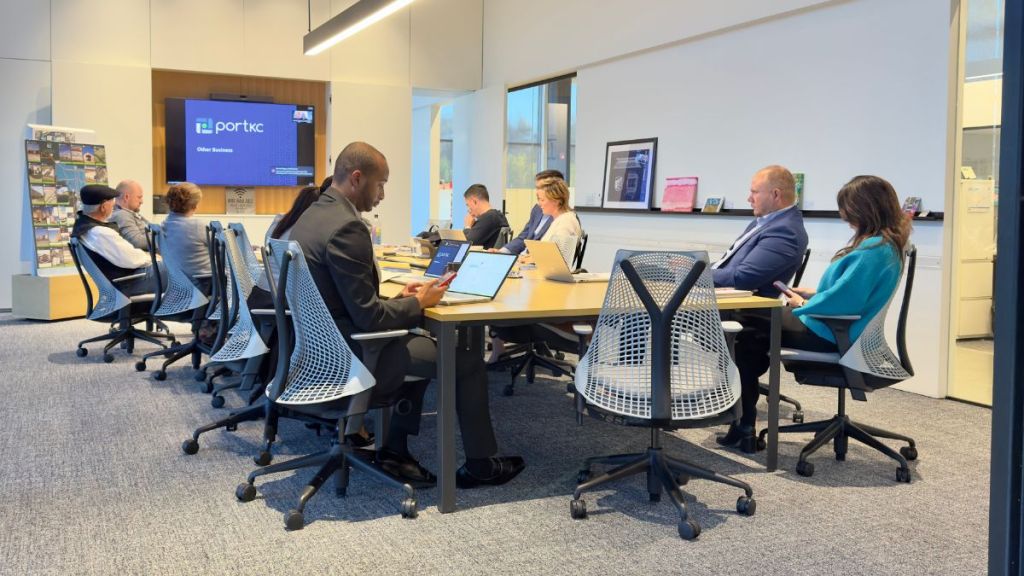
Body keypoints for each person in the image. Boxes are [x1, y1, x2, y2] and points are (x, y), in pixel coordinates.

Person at [288, 142, 525, 488]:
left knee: (417, 344)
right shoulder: (347, 227)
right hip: (352, 352)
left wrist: (401, 298)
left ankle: (395, 450)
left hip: (320, 345)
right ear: (357, 178)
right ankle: (480, 464)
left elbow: (348, 300)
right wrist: (418, 304)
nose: (382, 194)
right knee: (468, 361)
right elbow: (369, 318)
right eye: (380, 183)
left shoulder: (312, 216)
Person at [722, 175, 910, 452]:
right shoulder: (884, 245)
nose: (844, 214)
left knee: (745, 327)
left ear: (865, 208)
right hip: (839, 327)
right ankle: (743, 422)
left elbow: (843, 301)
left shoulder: (871, 250)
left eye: (847, 208)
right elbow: (849, 293)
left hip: (831, 331)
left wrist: (802, 304)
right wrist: (812, 294)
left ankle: (743, 420)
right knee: (749, 331)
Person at [714, 165, 809, 451]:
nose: (749, 198)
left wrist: (694, 270)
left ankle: (741, 421)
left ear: (776, 194)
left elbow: (745, 277)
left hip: (754, 318)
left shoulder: (784, 232)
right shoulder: (765, 222)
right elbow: (733, 268)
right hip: (736, 308)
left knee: (665, 323)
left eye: (754, 192)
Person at [71, 184, 165, 297]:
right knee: (179, 267)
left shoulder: (83, 228)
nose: (114, 206)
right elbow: (132, 259)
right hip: (130, 282)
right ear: (103, 206)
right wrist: (153, 258)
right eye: (112, 203)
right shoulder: (100, 232)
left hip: (121, 280)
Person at [497, 169, 563, 255]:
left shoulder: (562, 219)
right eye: (536, 188)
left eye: (540, 188)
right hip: (522, 260)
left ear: (555, 191)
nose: (537, 192)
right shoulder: (537, 209)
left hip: (536, 263)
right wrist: (502, 252)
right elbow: (523, 237)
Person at [160, 182, 211, 288]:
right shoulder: (198, 226)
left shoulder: (164, 225)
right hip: (205, 283)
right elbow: (225, 249)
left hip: (178, 286)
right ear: (194, 205)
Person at [461, 184, 509, 249]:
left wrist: (467, 226)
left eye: (468, 205)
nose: (469, 209)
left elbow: (466, 245)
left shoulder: (489, 218)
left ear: (474, 201)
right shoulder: (497, 216)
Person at [108, 180, 151, 251]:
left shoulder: (130, 213)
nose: (142, 201)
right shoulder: (122, 215)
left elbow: (152, 228)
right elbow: (138, 242)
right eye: (139, 197)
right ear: (126, 197)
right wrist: (161, 237)